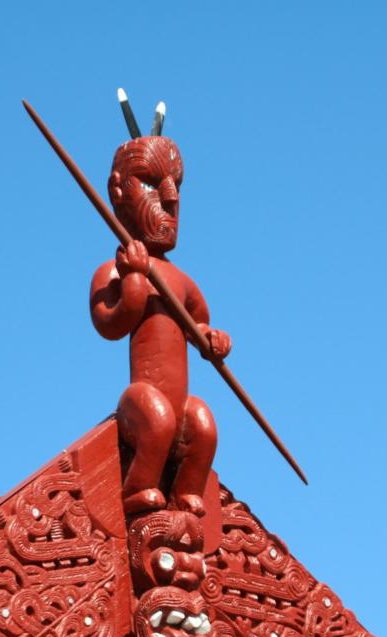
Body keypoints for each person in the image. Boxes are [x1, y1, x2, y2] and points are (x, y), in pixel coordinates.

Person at [89, 134, 231, 517]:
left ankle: (186, 493)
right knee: (156, 419)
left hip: (179, 402)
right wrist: (134, 279)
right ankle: (139, 486)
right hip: (143, 400)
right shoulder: (115, 270)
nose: (171, 198)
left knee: (202, 424)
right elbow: (110, 322)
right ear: (118, 191)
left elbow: (200, 320)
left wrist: (211, 339)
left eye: (177, 186)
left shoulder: (179, 278)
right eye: (152, 183)